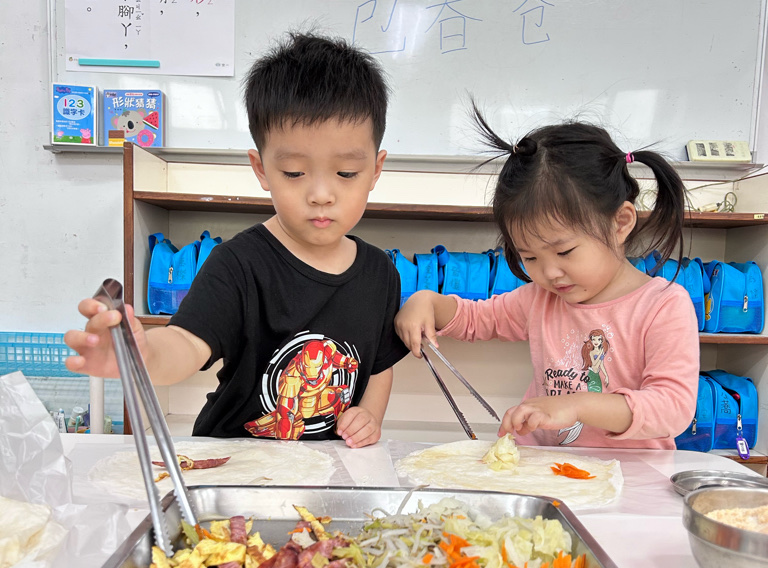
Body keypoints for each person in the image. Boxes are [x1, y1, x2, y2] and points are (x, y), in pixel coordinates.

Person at [65, 32, 408, 447]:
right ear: (261, 169)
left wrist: (369, 415)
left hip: (330, 468)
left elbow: (379, 366)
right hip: (235, 461)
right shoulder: (237, 264)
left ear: (375, 170)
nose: (321, 194)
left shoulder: (380, 273)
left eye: (346, 173)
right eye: (294, 173)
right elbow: (186, 343)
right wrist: (143, 356)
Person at [395, 113, 699, 449]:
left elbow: (672, 408)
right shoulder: (540, 298)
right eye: (530, 257)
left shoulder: (663, 305)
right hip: (543, 468)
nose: (549, 273)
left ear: (620, 223)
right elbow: (476, 318)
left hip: (631, 475)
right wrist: (426, 302)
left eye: (565, 251)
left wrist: (577, 406)